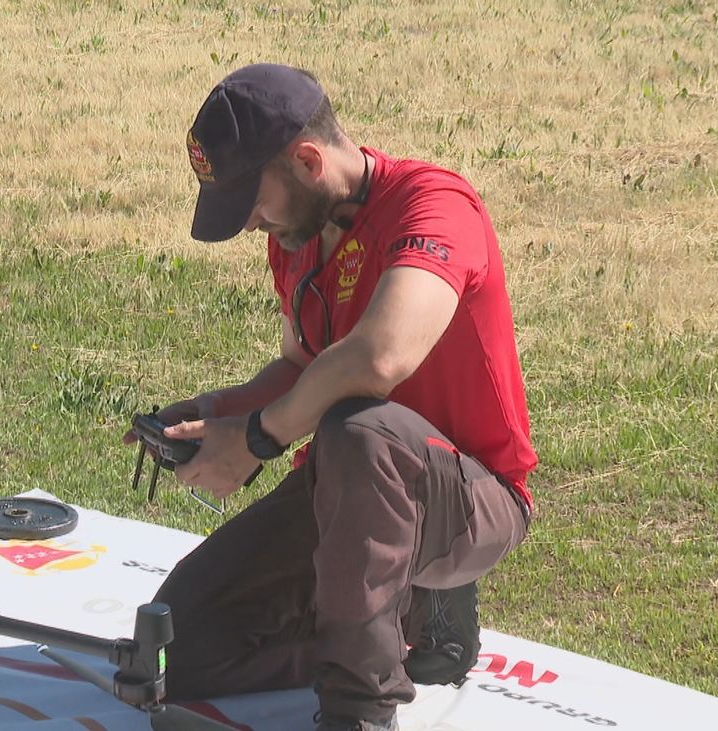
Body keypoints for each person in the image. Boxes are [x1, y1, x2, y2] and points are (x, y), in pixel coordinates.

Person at [130, 64, 537, 731]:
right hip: (350, 492)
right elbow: (303, 365)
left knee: (359, 430)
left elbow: (380, 356)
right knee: (180, 648)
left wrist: (258, 438)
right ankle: (409, 612)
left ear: (309, 160)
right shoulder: (294, 237)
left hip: (471, 493)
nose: (251, 224)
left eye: (252, 202)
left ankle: (360, 709)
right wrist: (219, 413)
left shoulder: (435, 205)